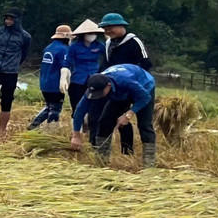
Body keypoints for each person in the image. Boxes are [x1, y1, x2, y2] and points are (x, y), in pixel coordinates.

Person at [77, 63, 157, 168]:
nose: (98, 96)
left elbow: (145, 98)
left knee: (144, 125)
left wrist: (128, 115)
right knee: (105, 121)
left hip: (144, 88)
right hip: (120, 93)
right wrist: (75, 135)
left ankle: (149, 164)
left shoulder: (126, 81)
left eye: (100, 93)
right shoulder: (96, 84)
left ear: (108, 86)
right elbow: (80, 109)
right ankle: (101, 160)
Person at [97, 12, 151, 156]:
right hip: (116, 88)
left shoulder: (134, 42)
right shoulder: (108, 44)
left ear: (122, 26)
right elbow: (104, 67)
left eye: (111, 27)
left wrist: (132, 81)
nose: (107, 31)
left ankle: (147, 161)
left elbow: (145, 63)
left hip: (137, 87)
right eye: (105, 28)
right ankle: (104, 157)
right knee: (108, 120)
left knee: (144, 124)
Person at [65, 19, 105, 142]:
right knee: (77, 108)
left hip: (94, 80)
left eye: (94, 33)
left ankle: (90, 136)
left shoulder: (100, 46)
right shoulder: (74, 47)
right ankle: (77, 134)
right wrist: (64, 75)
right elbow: (67, 62)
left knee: (93, 110)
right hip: (77, 80)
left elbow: (107, 59)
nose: (92, 35)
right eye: (89, 33)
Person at [27, 25, 71, 129]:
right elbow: (65, 66)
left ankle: (34, 125)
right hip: (55, 84)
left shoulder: (48, 48)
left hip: (44, 83)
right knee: (55, 109)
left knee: (49, 106)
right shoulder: (63, 50)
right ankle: (52, 129)